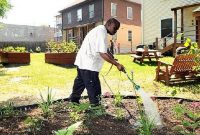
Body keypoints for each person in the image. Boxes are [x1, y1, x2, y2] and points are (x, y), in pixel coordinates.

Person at [69, 18, 125, 105]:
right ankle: (96, 106)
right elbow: (102, 53)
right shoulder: (101, 32)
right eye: (115, 28)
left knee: (80, 83)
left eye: (117, 29)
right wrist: (117, 64)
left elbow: (104, 50)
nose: (115, 31)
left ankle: (73, 101)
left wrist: (112, 58)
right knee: (94, 87)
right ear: (109, 24)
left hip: (82, 62)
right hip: (89, 65)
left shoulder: (100, 31)